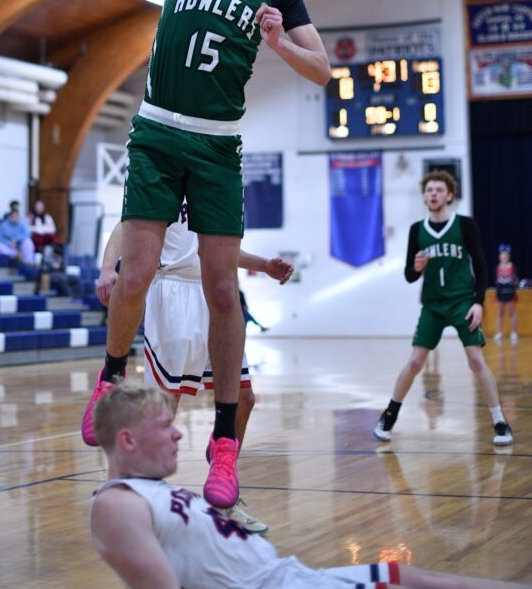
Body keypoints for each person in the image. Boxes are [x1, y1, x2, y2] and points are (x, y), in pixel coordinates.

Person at [82, 0, 331, 510]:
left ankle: (223, 441)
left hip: (218, 146)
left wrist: (278, 46)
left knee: (225, 291)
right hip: (157, 130)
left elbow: (324, 72)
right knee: (137, 270)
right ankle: (109, 376)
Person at [90, 384, 529, 589]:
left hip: (293, 575)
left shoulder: (150, 489)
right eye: (167, 426)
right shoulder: (117, 505)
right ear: (126, 440)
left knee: (421, 578)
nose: (179, 435)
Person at [97, 211, 293, 533]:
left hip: (217, 294)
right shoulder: (167, 171)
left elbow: (217, 249)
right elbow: (126, 224)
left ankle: (224, 498)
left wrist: (263, 266)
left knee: (244, 398)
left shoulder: (218, 177)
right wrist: (107, 268)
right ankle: (133, 494)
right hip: (173, 293)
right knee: (161, 408)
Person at [374, 170, 513, 447]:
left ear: (449, 195)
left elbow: (482, 264)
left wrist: (477, 302)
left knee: (476, 360)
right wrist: (416, 268)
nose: (433, 194)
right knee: (415, 362)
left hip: (462, 301)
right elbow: (409, 275)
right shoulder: (417, 230)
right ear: (425, 196)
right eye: (429, 190)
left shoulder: (465, 225)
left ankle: (500, 422)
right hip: (433, 306)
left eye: (439, 190)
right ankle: (389, 416)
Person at [493, 244, 519, 343]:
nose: (503, 256)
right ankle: (499, 333)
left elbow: (516, 281)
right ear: (500, 256)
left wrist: (513, 282)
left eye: (505, 254)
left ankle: (513, 333)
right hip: (500, 293)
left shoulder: (513, 267)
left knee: (512, 313)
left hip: (510, 292)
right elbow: (497, 280)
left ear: (508, 256)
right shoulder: (497, 267)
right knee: (499, 313)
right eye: (502, 254)